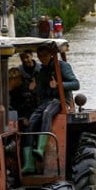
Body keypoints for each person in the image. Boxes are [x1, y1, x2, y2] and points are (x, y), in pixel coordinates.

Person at [23, 43, 80, 171]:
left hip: (61, 100)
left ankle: (41, 148)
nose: (42, 58)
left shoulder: (63, 66)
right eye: (40, 56)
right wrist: (33, 88)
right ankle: (29, 163)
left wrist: (59, 84)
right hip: (47, 101)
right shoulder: (41, 71)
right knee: (32, 120)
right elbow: (41, 92)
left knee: (47, 113)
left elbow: (76, 84)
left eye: (45, 55)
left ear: (51, 55)